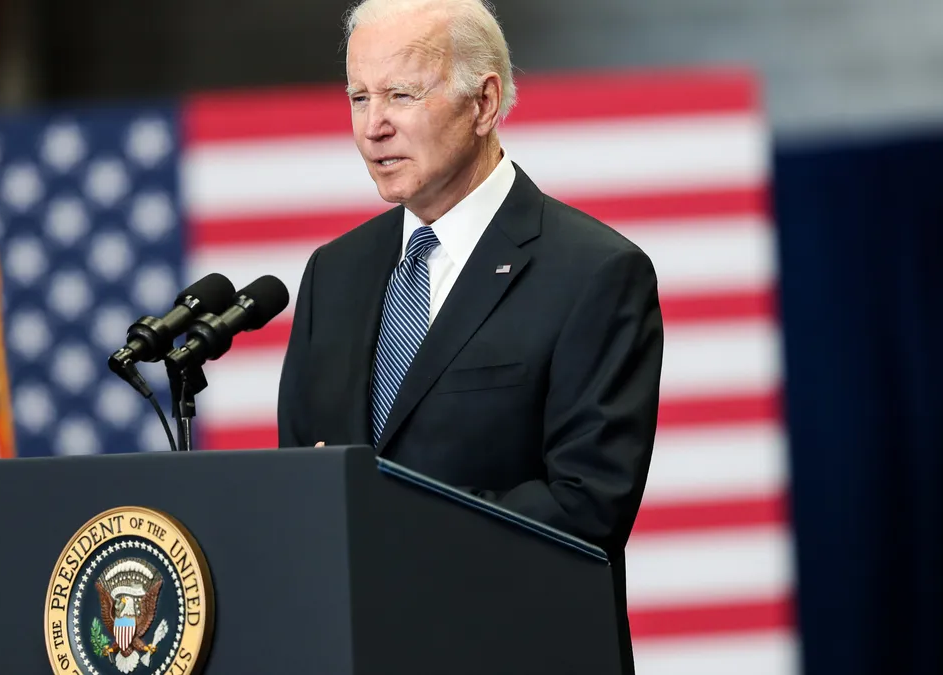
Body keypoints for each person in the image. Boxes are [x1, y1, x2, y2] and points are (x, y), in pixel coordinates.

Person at [277, 0, 663, 669]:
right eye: (359, 96)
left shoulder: (594, 272)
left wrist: (385, 521)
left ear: (484, 104)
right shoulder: (332, 273)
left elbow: (585, 505)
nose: (374, 126)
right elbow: (302, 480)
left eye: (401, 93)